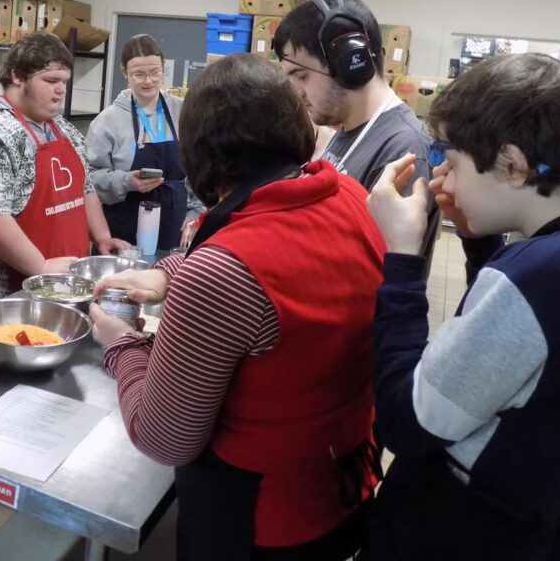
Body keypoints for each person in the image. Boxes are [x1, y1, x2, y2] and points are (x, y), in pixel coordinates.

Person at [89, 53, 385, 560]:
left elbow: (165, 439)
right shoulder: (351, 196)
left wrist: (123, 345)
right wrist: (168, 274)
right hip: (344, 489)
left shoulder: (223, 273)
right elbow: (281, 258)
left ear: (199, 151)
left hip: (260, 523)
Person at [365, 54, 560, 560]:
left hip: (457, 534)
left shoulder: (547, 278)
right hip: (550, 534)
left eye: (454, 164)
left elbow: (406, 421)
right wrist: (483, 246)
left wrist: (403, 258)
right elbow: (529, 352)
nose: (445, 182)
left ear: (513, 165)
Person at [0, 31, 129, 532]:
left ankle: (17, 464)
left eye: (64, 83)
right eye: (50, 81)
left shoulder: (62, 129)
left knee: (36, 386)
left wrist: (104, 238)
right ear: (16, 78)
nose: (59, 91)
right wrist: (42, 265)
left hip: (55, 288)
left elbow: (84, 188)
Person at [273, 0, 438, 261]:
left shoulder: (404, 148)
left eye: (301, 76)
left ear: (350, 64)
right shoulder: (346, 129)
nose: (297, 92)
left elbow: (376, 265)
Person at [87, 34, 202, 250]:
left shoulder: (185, 112)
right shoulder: (106, 122)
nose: (148, 81)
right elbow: (89, 179)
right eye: (139, 74)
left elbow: (201, 168)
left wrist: (196, 212)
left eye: (154, 72)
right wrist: (126, 181)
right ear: (125, 73)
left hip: (175, 228)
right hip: (123, 230)